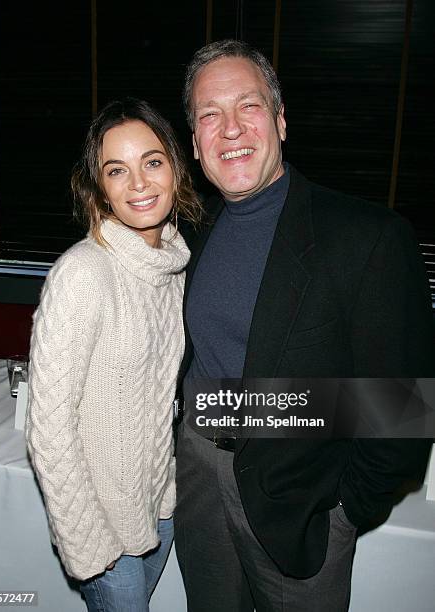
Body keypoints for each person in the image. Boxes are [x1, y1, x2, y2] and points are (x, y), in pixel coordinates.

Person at [174, 39, 434, 612]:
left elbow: (404, 411)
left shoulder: (368, 239)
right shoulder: (190, 233)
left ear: (282, 120)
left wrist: (343, 511)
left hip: (301, 508)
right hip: (197, 481)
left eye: (249, 106)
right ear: (195, 144)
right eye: (210, 116)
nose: (231, 129)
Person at [25, 98, 200, 612]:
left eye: (152, 162)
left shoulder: (169, 264)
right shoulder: (84, 274)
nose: (139, 184)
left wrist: (165, 494)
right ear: (99, 187)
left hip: (157, 510)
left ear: (174, 165)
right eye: (116, 170)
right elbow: (49, 427)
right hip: (102, 533)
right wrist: (88, 543)